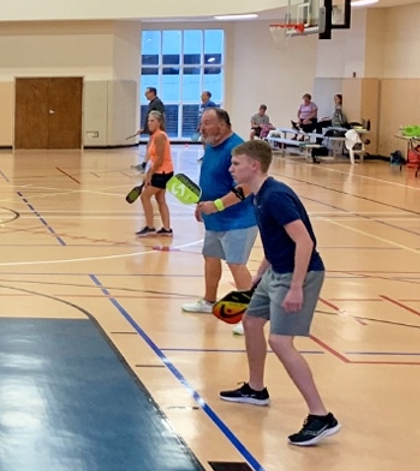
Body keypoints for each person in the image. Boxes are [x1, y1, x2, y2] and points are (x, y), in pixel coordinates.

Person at [219, 139, 340, 446]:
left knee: (280, 341)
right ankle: (256, 389)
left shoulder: (275, 197)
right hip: (276, 270)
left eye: (236, 164)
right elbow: (277, 240)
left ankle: (320, 415)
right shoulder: (258, 196)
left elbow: (305, 242)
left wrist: (297, 285)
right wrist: (262, 270)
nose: (231, 168)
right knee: (251, 321)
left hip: (300, 273)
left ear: (254, 166)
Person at [184, 108, 257, 337]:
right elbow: (211, 179)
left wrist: (217, 205)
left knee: (236, 264)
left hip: (239, 219)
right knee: (211, 257)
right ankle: (209, 300)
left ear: (223, 126)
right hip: (214, 218)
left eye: (207, 123)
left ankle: (251, 316)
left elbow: (247, 186)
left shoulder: (238, 149)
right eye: (201, 123)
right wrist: (202, 204)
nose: (201, 128)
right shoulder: (210, 146)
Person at [135, 111, 173, 237]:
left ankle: (150, 227)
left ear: (159, 122)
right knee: (160, 199)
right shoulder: (154, 136)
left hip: (163, 172)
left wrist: (149, 174)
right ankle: (167, 229)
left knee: (145, 197)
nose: (149, 123)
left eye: (152, 121)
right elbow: (153, 157)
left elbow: (160, 158)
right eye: (148, 121)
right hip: (160, 171)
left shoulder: (160, 136)